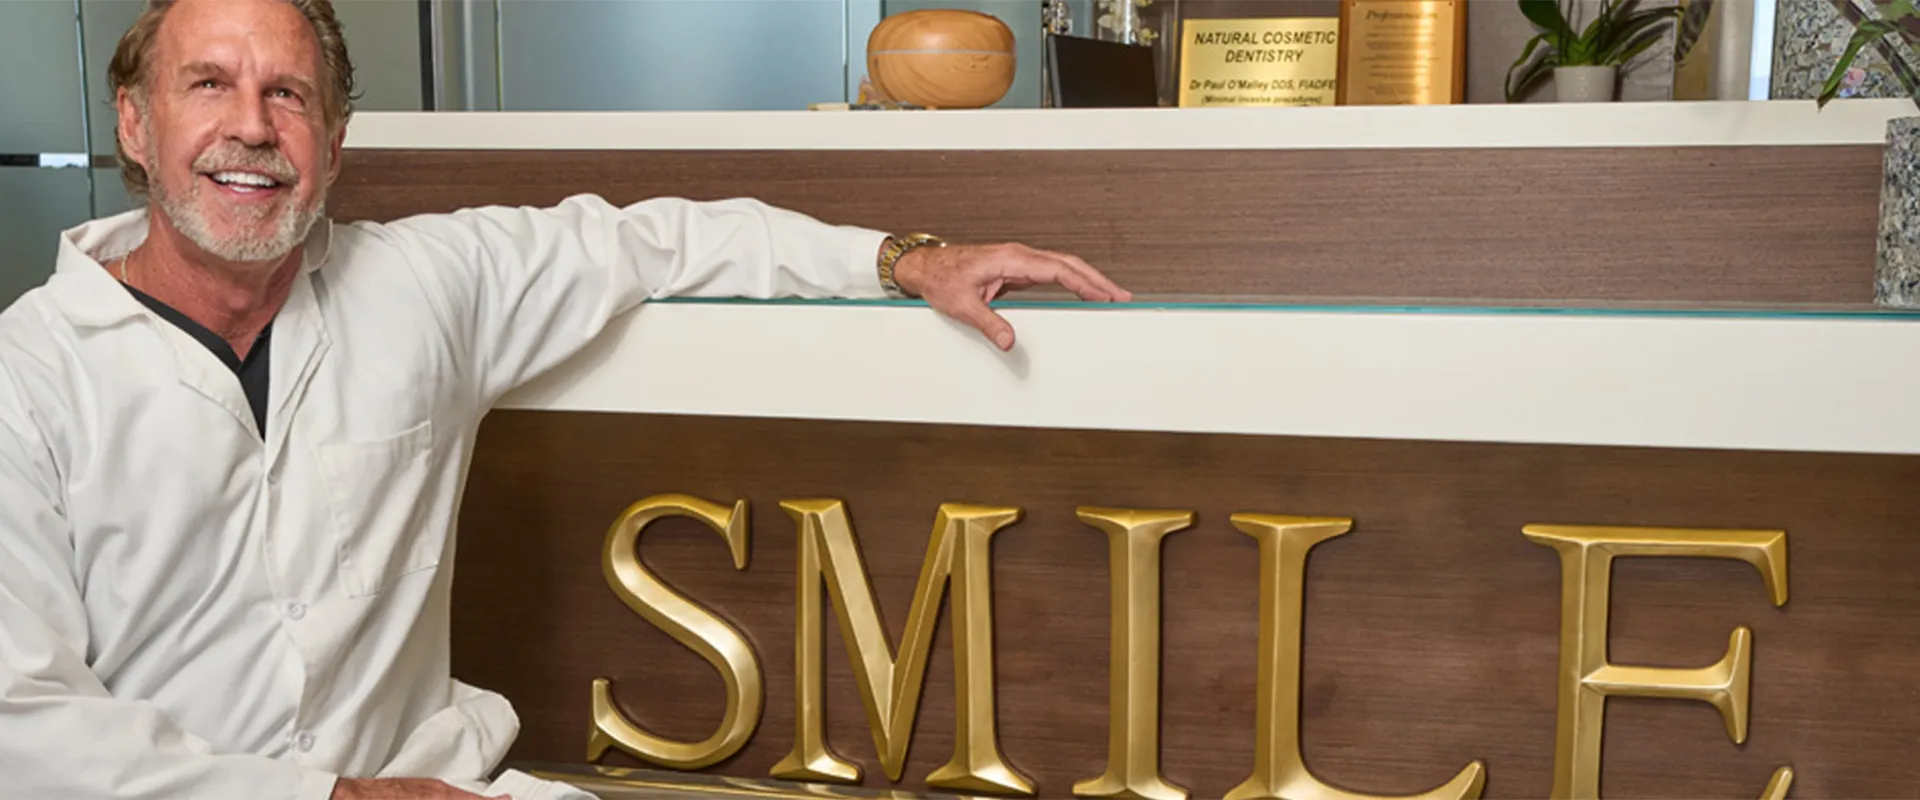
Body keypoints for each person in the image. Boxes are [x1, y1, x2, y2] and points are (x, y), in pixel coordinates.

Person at [0, 0, 1131, 798]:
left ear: (335, 144)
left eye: (286, 93)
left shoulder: (424, 284)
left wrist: (904, 259)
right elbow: (24, 731)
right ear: (136, 128)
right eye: (210, 84)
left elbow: (659, 240)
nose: (252, 125)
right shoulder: (30, 373)